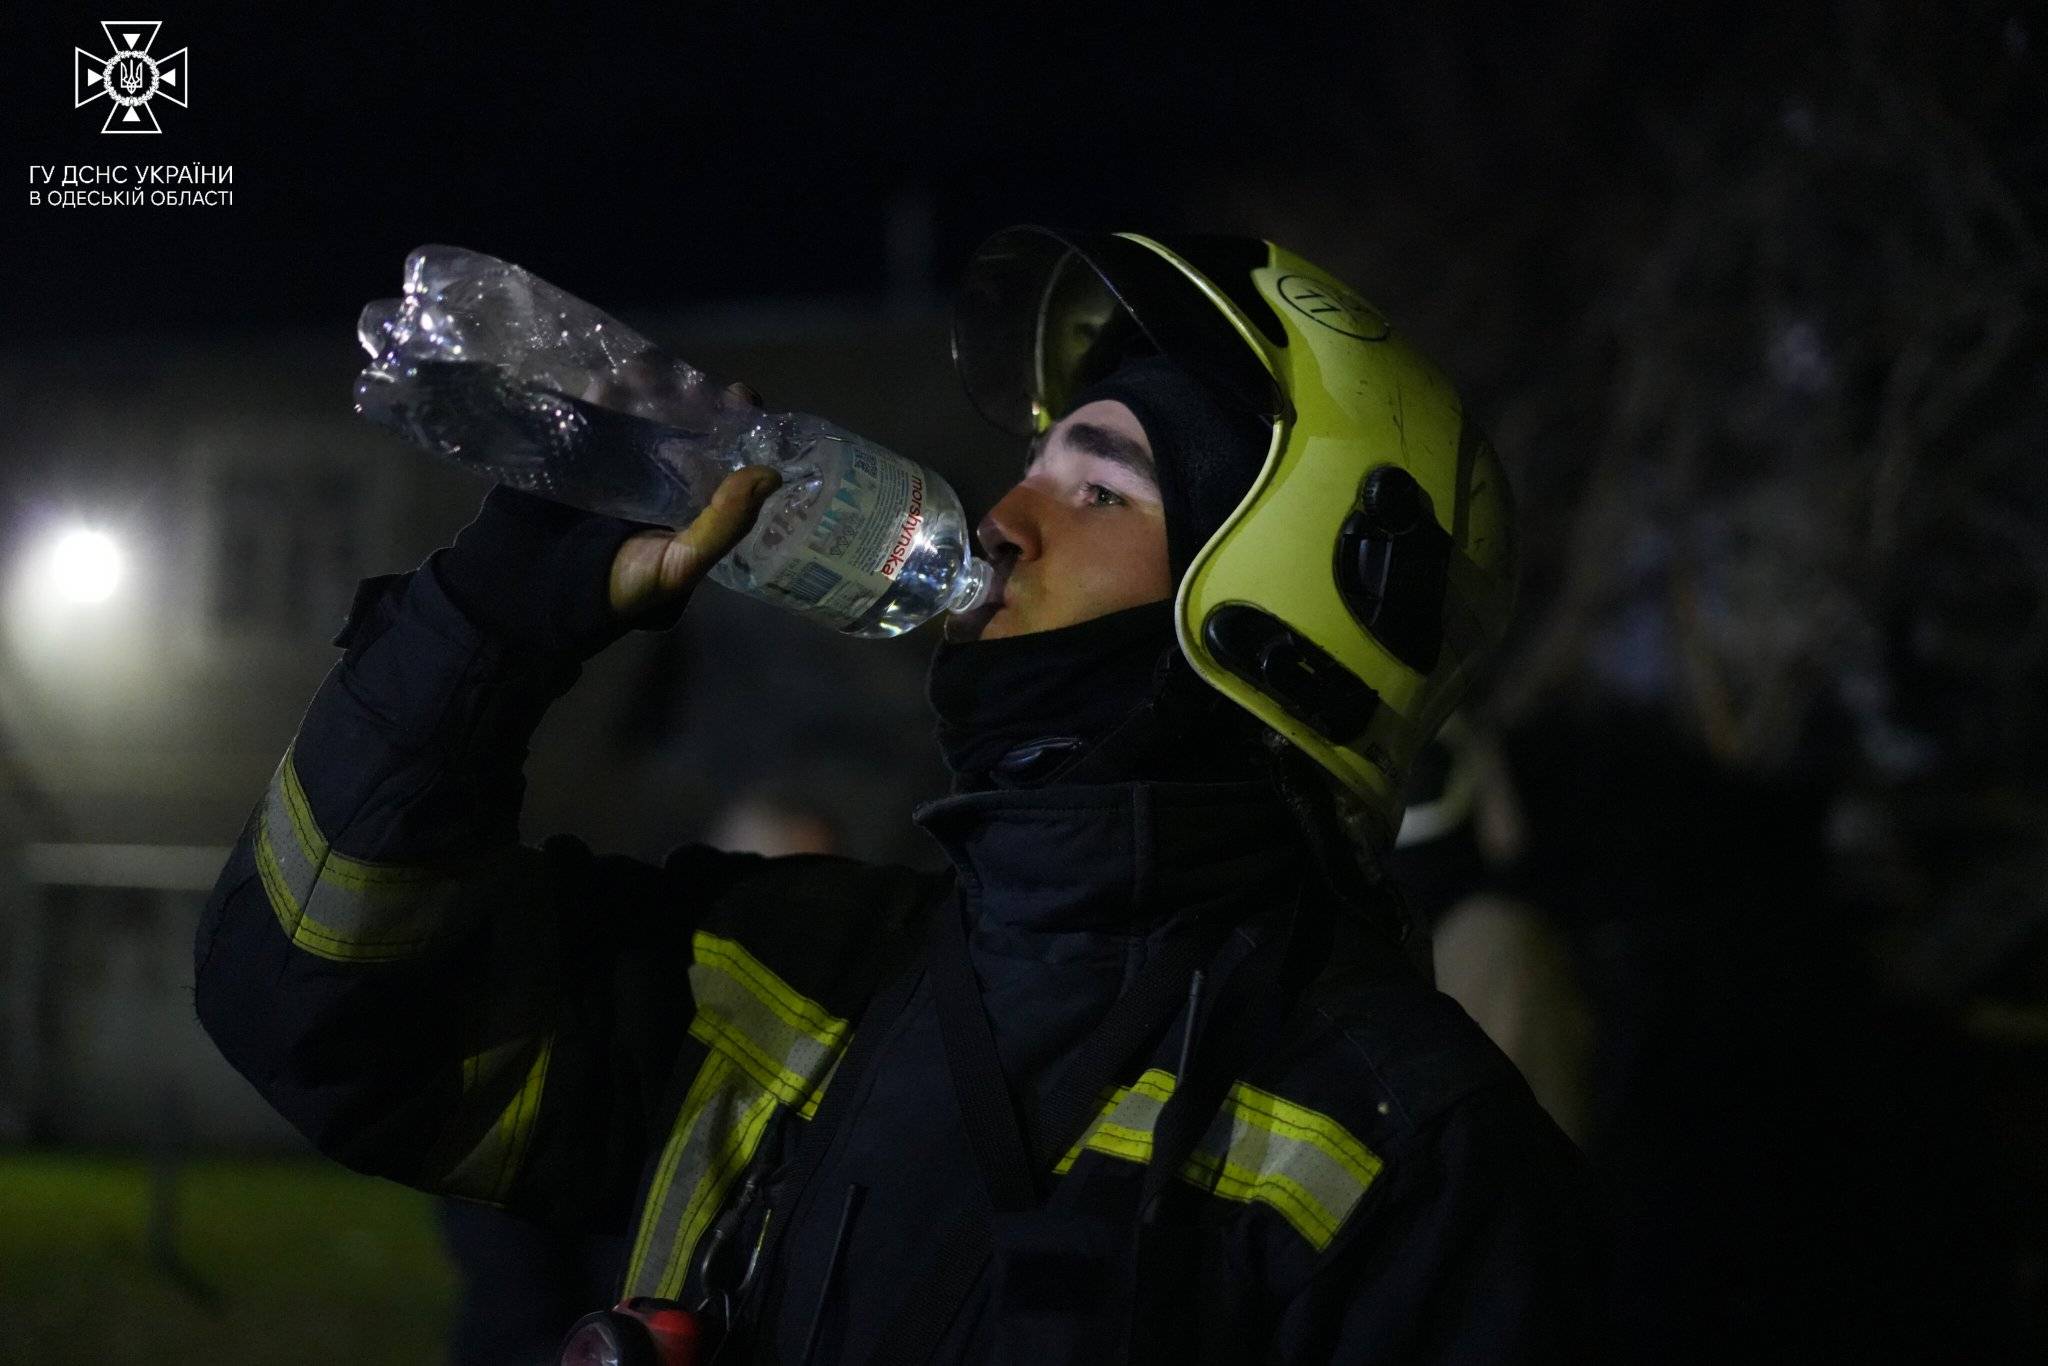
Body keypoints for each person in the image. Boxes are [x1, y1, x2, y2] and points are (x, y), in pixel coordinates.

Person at [195, 226, 1592, 1363]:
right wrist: (497, 614)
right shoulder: (794, 978)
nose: (1000, 518)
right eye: (1032, 465)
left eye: (1098, 491)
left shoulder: (1409, 1163)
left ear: (1273, 618)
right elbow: (320, 1011)